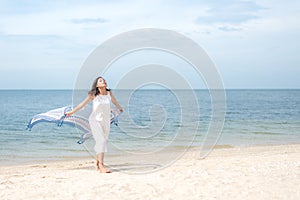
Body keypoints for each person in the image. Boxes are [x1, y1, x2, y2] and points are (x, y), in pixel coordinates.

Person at [65, 77, 123, 173]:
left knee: (101, 142)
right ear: (97, 85)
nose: (103, 81)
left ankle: (96, 162)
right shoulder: (93, 95)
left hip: (106, 121)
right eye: (100, 81)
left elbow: (114, 102)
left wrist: (119, 108)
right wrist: (72, 112)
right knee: (101, 141)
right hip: (95, 121)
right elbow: (82, 104)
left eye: (104, 80)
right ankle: (101, 165)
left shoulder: (109, 93)